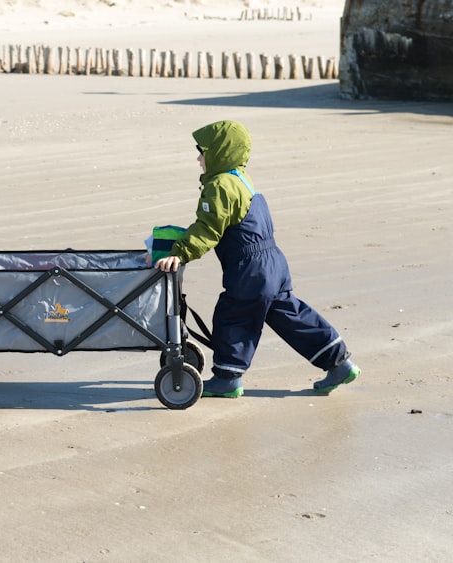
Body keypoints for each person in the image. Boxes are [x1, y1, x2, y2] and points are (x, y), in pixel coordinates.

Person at [154, 120, 360, 398]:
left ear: (220, 151)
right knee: (291, 315)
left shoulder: (219, 185)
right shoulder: (242, 179)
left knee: (233, 316)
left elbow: (208, 228)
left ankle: (227, 378)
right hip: (273, 263)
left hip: (249, 268)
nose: (198, 158)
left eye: (203, 151)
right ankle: (340, 362)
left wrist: (179, 253)